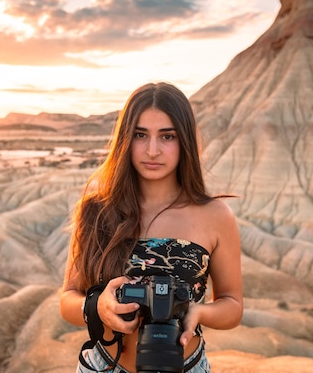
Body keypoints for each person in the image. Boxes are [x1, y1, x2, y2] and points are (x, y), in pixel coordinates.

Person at [60, 82, 243, 373]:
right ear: (125, 140)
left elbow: (233, 305)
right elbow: (68, 298)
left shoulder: (216, 216)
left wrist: (198, 311)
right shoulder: (98, 210)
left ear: (184, 140)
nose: (153, 150)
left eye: (167, 136)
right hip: (105, 367)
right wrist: (98, 308)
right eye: (140, 135)